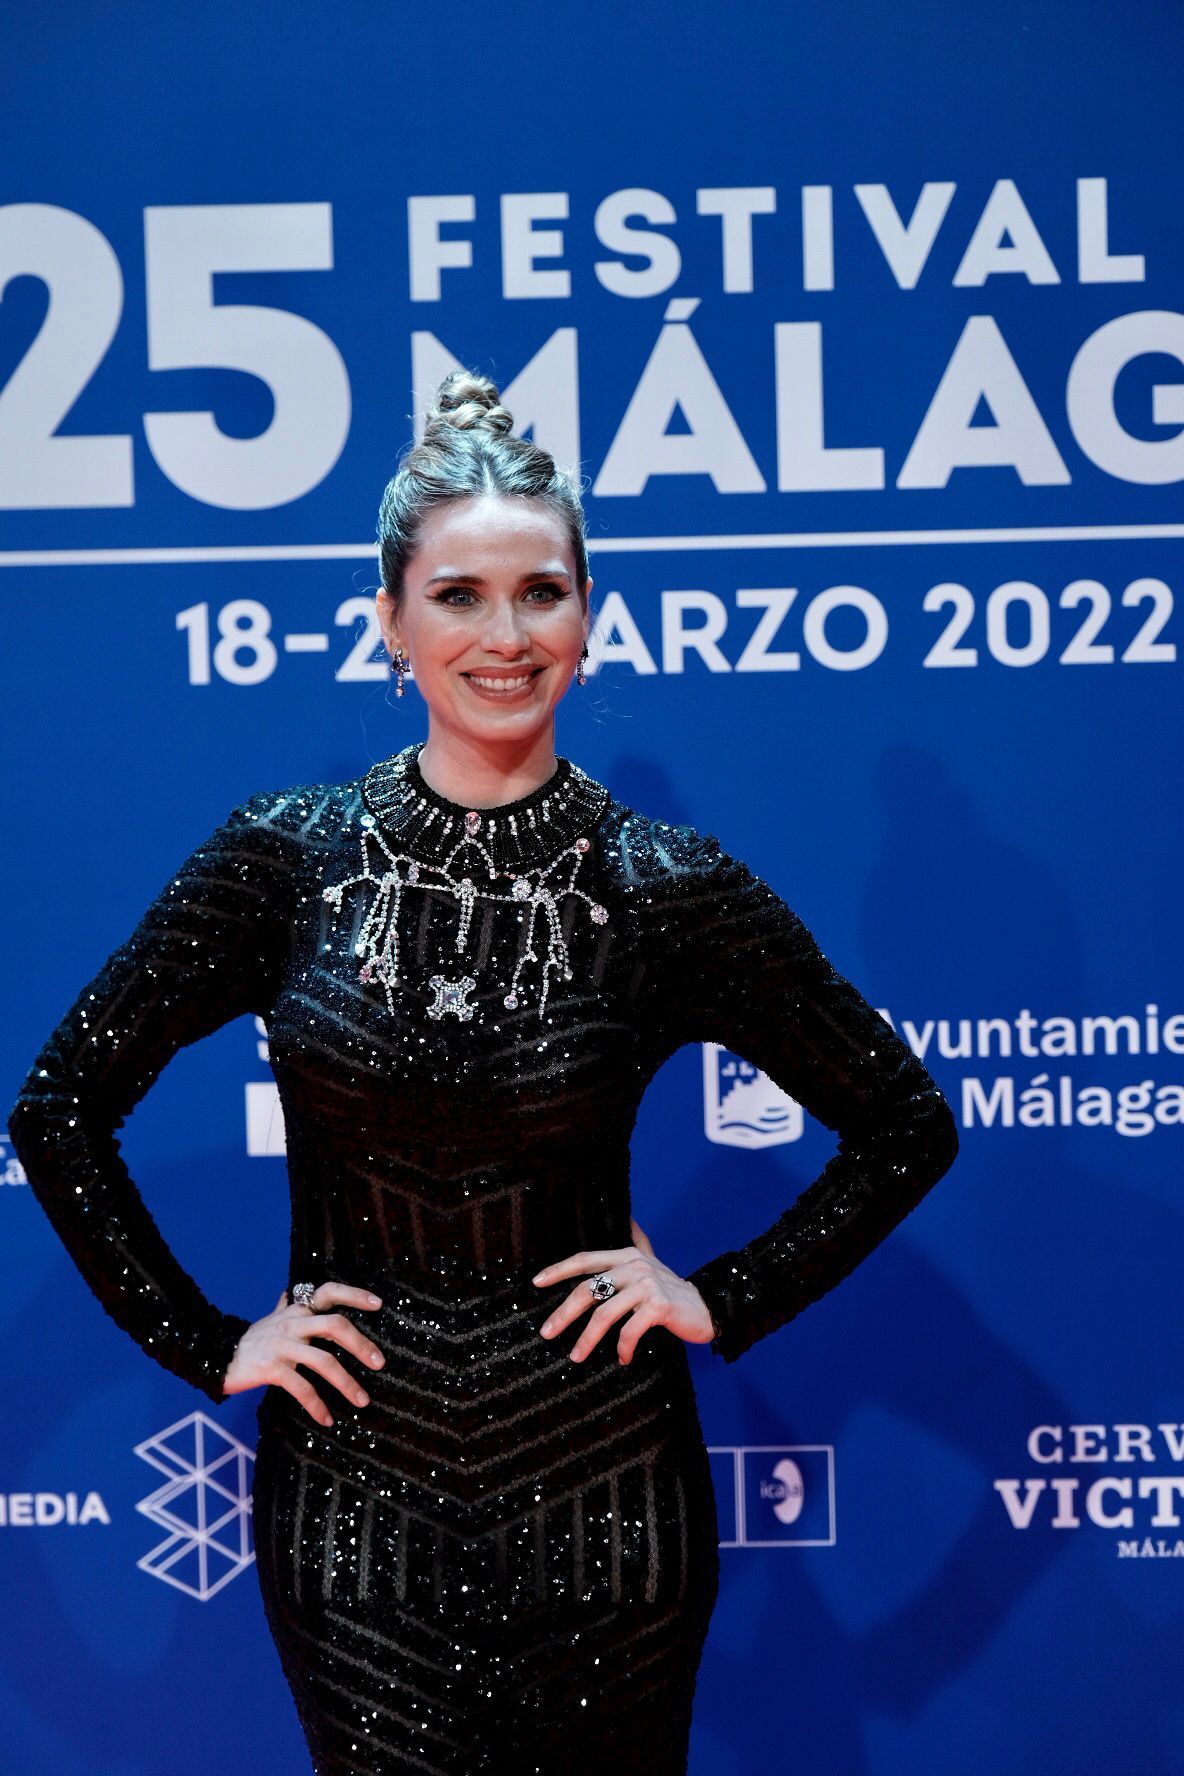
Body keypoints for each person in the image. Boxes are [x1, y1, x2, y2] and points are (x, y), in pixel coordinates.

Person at [7, 367, 960, 1775]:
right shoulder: (285, 857)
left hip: (607, 1487)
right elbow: (61, 1107)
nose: (504, 635)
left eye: (542, 591)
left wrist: (720, 1296)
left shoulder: (665, 886)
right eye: (458, 595)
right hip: (354, 1488)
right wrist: (209, 1343)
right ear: (389, 620)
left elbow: (902, 1124)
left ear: (589, 616)